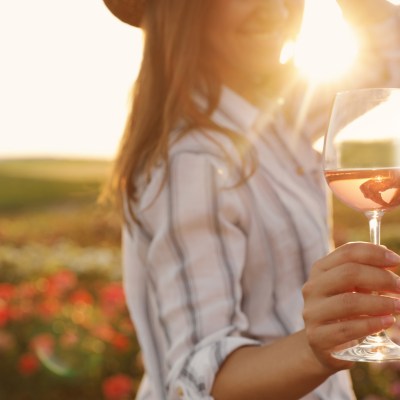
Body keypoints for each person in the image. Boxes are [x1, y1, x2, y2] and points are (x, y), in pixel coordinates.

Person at [101, 0, 400, 399]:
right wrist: (319, 348)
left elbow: (384, 63)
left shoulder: (276, 123)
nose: (277, 8)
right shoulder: (193, 161)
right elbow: (201, 379)